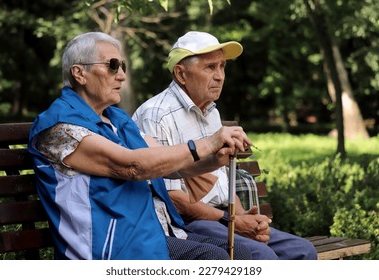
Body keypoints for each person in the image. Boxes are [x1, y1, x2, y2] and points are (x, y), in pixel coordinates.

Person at [27, 31, 254, 260]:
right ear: (79, 73)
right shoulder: (60, 128)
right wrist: (207, 143)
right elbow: (132, 166)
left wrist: (214, 159)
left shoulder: (116, 119)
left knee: (240, 253)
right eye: (113, 66)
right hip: (111, 250)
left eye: (123, 66)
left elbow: (169, 164)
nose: (122, 76)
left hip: (149, 236)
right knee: (214, 260)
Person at [133, 31, 318, 260]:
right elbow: (174, 200)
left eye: (222, 67)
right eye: (210, 67)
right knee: (263, 258)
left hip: (225, 217)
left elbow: (222, 181)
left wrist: (246, 218)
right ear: (181, 73)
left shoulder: (212, 111)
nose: (220, 76)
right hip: (193, 224)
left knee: (303, 252)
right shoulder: (157, 115)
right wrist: (234, 221)